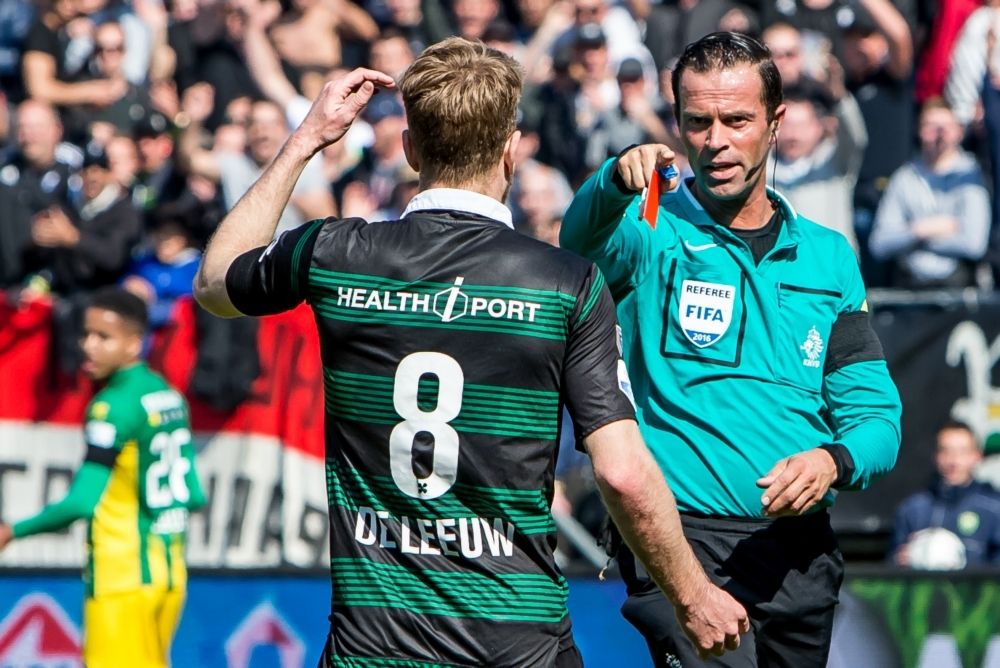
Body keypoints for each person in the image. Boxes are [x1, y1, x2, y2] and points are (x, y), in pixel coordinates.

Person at [194, 38, 748, 666]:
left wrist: (305, 142)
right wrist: (693, 594)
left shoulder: (334, 252)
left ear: (410, 149)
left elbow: (215, 282)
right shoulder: (564, 283)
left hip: (373, 647)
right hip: (517, 644)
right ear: (512, 149)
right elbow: (621, 472)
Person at [560, 32, 902, 667]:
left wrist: (833, 459)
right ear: (677, 124)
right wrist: (612, 180)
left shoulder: (829, 257)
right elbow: (579, 242)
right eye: (698, 121)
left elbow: (877, 419)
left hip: (799, 557)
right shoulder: (650, 228)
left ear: (775, 123)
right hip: (684, 543)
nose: (715, 140)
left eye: (736, 120)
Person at [0, 287, 205, 668]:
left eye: (103, 337)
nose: (88, 346)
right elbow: (194, 494)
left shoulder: (111, 406)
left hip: (120, 577)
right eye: (86, 334)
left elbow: (81, 502)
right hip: (169, 575)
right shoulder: (169, 396)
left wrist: (13, 531)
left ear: (134, 344)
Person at [868, 98, 991, 288]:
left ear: (959, 132)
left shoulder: (970, 176)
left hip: (959, 287)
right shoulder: (904, 178)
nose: (939, 135)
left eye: (945, 127)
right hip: (910, 286)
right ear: (919, 130)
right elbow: (880, 243)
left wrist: (910, 238)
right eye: (932, 126)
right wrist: (921, 230)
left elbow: (974, 245)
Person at [891, 421, 1000, 568]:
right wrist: (900, 560)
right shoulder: (913, 508)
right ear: (935, 455)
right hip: (923, 583)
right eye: (946, 451)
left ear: (976, 456)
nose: (953, 461)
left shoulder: (994, 508)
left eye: (962, 452)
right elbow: (891, 566)